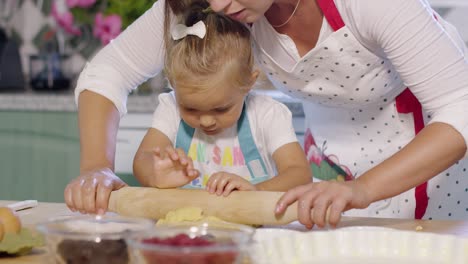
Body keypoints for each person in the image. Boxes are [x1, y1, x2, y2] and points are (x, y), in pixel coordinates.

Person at [65, 0, 468, 229]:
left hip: (427, 173)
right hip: (325, 181)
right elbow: (107, 71)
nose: (218, 5)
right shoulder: (210, 6)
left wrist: (362, 189)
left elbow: (461, 107)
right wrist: (97, 168)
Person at [132, 3, 311, 195]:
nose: (206, 121)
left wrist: (255, 190)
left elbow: (300, 175)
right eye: (190, 109)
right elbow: (142, 160)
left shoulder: (267, 115)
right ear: (173, 85)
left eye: (221, 109)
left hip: (255, 224)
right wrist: (155, 173)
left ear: (248, 83)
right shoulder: (170, 109)